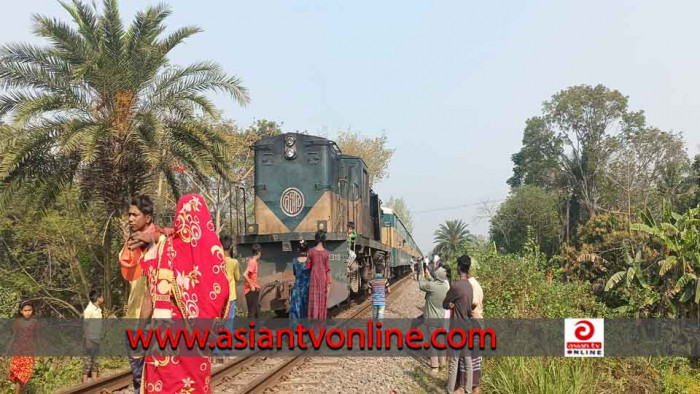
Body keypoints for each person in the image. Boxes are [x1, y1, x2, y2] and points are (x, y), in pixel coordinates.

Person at [140, 194, 229, 393]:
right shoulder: (214, 253)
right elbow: (221, 291)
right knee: (194, 383)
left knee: (165, 383)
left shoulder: (164, 247)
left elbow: (149, 295)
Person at [120, 195, 172, 393]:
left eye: (135, 215)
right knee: (138, 378)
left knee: (149, 378)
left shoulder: (160, 242)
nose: (130, 219)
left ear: (148, 218)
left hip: (150, 323)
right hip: (134, 318)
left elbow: (175, 236)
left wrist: (154, 237)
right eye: (129, 215)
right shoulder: (132, 243)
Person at [443, 255, 475, 394]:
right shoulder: (469, 285)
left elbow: (444, 303)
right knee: (468, 361)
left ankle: (450, 391)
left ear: (459, 267)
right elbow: (469, 308)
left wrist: (450, 304)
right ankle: (468, 390)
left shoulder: (456, 286)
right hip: (468, 327)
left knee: (454, 361)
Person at [418, 265, 450, 372]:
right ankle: (443, 363)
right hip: (442, 318)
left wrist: (421, 276)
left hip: (431, 319)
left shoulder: (432, 286)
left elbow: (422, 285)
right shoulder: (445, 286)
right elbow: (435, 283)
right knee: (441, 341)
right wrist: (430, 277)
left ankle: (434, 366)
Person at [7, 300, 39, 394]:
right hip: (18, 351)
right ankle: (22, 390)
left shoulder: (35, 322)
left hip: (29, 352)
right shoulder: (18, 322)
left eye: (30, 310)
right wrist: (8, 349)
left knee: (21, 377)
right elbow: (13, 336)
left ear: (33, 310)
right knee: (13, 375)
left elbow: (37, 337)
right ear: (21, 311)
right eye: (25, 310)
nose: (28, 312)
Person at [219, 234, 240, 361]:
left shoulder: (216, 260)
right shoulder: (234, 262)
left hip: (218, 296)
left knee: (218, 324)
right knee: (229, 324)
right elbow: (237, 278)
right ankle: (227, 352)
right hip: (231, 297)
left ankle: (216, 352)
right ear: (231, 246)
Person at [307, 230, 331, 321]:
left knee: (313, 299)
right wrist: (329, 282)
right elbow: (327, 268)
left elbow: (308, 266)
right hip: (323, 277)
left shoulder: (310, 251)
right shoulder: (326, 253)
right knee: (322, 299)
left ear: (316, 239)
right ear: (324, 239)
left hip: (313, 277)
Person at [468, 269, 484, 394]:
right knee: (476, 358)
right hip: (478, 322)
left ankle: (473, 387)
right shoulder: (476, 284)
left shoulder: (471, 285)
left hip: (474, 323)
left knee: (471, 357)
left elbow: (473, 303)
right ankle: (474, 386)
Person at [83, 289, 104, 384]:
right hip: (90, 338)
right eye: (101, 296)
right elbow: (85, 325)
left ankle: (94, 378)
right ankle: (84, 380)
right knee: (88, 359)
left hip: (97, 338)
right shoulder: (89, 310)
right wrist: (87, 340)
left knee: (96, 359)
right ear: (98, 298)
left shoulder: (98, 309)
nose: (103, 298)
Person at [289, 240, 311, 326]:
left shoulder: (294, 261)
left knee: (295, 309)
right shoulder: (310, 261)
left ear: (298, 249)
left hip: (297, 288)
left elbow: (295, 273)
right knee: (306, 309)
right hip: (307, 288)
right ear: (307, 250)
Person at [244, 244, 263, 318]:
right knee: (252, 313)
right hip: (250, 291)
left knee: (257, 312)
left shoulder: (253, 261)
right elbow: (245, 274)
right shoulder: (253, 262)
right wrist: (251, 285)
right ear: (259, 253)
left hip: (254, 290)